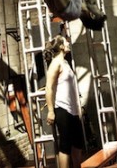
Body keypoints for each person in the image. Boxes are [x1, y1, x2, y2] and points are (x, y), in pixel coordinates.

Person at [44, 35, 84, 168]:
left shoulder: (66, 63)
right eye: (66, 42)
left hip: (73, 110)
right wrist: (50, 111)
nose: (68, 43)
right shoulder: (55, 63)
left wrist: (79, 107)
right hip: (62, 108)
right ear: (61, 46)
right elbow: (49, 87)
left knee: (78, 144)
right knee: (65, 145)